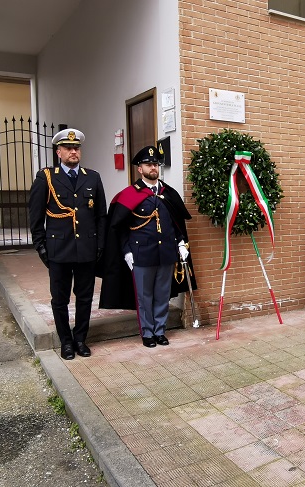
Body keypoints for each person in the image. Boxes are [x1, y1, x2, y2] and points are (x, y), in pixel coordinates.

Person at [99, 146, 196, 347]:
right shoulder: (128, 195)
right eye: (148, 164)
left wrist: (180, 243)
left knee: (162, 295)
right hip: (141, 254)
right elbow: (120, 228)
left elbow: (176, 222)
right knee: (144, 296)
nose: (153, 167)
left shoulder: (167, 193)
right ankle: (147, 333)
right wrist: (126, 251)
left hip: (166, 253)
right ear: (139, 169)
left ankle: (160, 331)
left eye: (156, 164)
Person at [28, 128, 107, 360]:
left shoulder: (92, 177)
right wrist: (41, 247)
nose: (73, 151)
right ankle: (66, 342)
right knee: (60, 299)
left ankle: (80, 338)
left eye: (77, 148)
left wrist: (100, 244)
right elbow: (35, 216)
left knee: (84, 297)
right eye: (69, 148)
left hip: (86, 250)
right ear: (59, 152)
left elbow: (100, 215)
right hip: (58, 249)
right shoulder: (46, 177)